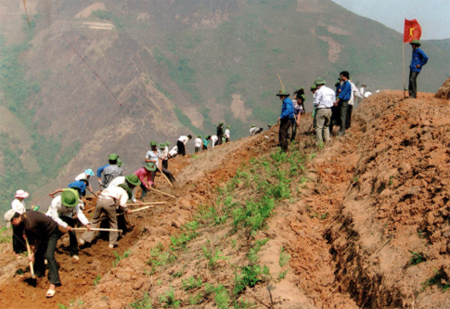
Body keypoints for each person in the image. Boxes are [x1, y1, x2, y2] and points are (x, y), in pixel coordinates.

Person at [11, 210, 63, 297]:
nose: (14, 226)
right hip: (45, 231)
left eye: (13, 224)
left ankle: (54, 283)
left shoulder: (29, 225)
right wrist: (25, 232)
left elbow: (40, 240)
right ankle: (39, 273)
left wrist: (32, 254)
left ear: (15, 220)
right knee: (40, 252)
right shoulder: (25, 214)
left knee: (49, 255)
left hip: (52, 231)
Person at [79, 183, 131, 249]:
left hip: (100, 200)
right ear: (126, 190)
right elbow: (122, 204)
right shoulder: (124, 192)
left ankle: (83, 239)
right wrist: (126, 210)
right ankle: (112, 243)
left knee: (94, 220)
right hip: (109, 201)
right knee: (113, 222)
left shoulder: (112, 188)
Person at [46, 189, 91, 261]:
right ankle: (46, 253)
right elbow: (55, 217)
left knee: (72, 232)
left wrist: (87, 224)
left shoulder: (75, 202)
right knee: (51, 233)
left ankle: (74, 253)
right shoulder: (56, 202)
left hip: (66, 215)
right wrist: (65, 226)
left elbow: (79, 213)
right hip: (53, 216)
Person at [313, 77, 335, 144]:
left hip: (321, 109)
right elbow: (333, 101)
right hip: (329, 110)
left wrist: (314, 104)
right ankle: (327, 140)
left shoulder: (319, 91)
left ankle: (319, 142)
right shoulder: (331, 91)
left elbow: (316, 102)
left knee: (319, 127)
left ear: (318, 85)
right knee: (326, 126)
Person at [10, 190, 29, 257]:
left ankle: (23, 248)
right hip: (16, 218)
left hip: (22, 218)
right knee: (16, 235)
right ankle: (16, 250)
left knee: (22, 233)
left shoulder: (22, 202)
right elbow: (16, 211)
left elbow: (23, 209)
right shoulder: (14, 203)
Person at [334, 71, 352, 136]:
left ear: (344, 76)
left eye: (341, 76)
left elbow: (343, 93)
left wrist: (337, 100)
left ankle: (342, 131)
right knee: (341, 116)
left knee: (343, 116)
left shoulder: (347, 84)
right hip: (343, 101)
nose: (341, 78)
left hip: (344, 102)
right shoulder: (345, 83)